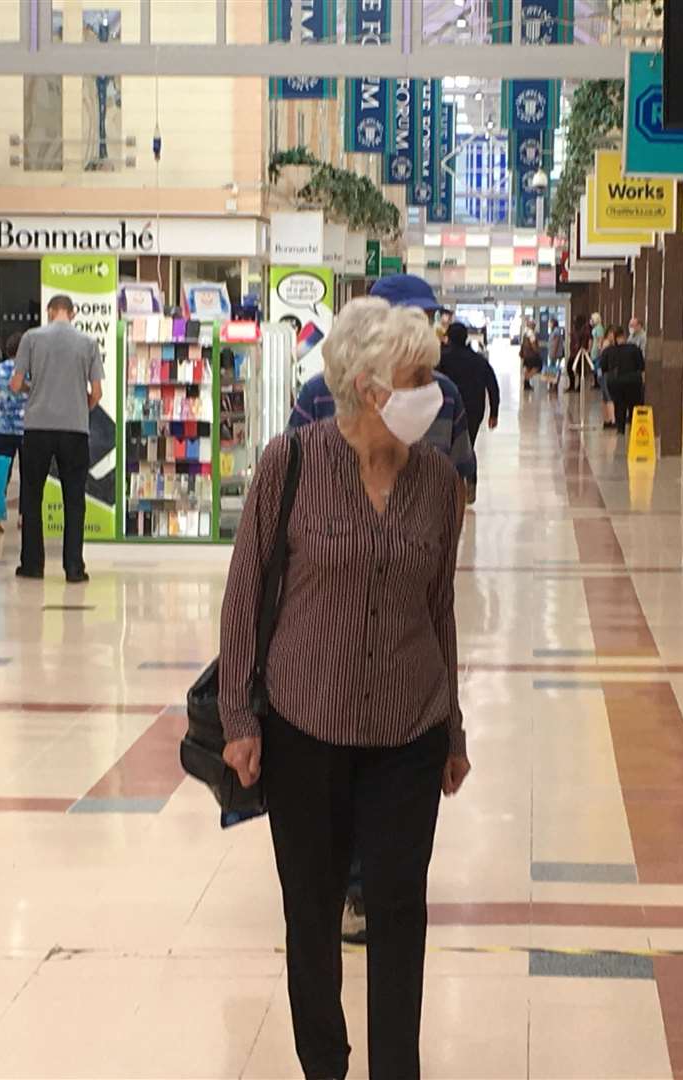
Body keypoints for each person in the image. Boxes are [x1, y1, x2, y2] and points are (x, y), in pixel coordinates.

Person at [220, 297, 470, 1080]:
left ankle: (398, 1068)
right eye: (417, 377)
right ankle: (323, 1065)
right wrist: (238, 717)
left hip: (409, 727)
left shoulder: (437, 482)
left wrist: (453, 729)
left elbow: (440, 608)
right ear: (368, 388)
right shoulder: (289, 463)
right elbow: (244, 592)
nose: (435, 390)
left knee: (400, 912)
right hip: (305, 725)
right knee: (312, 912)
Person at [287, 272, 472, 948]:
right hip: (323, 659)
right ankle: (345, 884)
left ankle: (366, 887)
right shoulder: (319, 405)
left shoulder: (438, 393)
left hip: (410, 591)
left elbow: (456, 481)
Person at [289, 275, 478, 493]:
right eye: (409, 319)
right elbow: (291, 470)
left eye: (425, 318)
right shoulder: (319, 392)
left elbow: (458, 475)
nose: (418, 330)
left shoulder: (444, 395)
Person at [11, 294, 104, 584]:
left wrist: (34, 389)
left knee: (32, 495)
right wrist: (79, 404)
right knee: (74, 499)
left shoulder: (31, 338)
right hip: (75, 428)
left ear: (50, 312)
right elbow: (97, 392)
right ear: (73, 313)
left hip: (37, 426)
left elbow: (15, 384)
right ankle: (74, 568)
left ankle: (32, 565)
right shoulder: (88, 344)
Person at [439, 322, 499, 505]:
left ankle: (448, 487)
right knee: (467, 445)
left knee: (446, 448)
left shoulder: (441, 358)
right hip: (473, 410)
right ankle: (470, 482)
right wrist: (493, 412)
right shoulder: (478, 360)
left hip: (446, 409)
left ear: (448, 337)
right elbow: (492, 385)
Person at [0, 332, 26, 536]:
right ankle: (23, 516)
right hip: (26, 427)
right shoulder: (29, 372)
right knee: (29, 474)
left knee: (1, 473)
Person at [599, 325, 646, 436]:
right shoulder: (634, 348)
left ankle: (620, 429)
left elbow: (603, 367)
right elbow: (641, 366)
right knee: (634, 405)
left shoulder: (608, 351)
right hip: (633, 382)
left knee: (619, 405)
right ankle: (636, 429)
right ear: (623, 336)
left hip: (615, 382)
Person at [548, 318, 566, 391]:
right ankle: (552, 383)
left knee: (553, 369)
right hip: (553, 352)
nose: (549, 324)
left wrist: (554, 352)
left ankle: (554, 384)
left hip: (555, 353)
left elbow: (556, 342)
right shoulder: (553, 331)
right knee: (552, 368)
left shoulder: (556, 331)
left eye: (550, 323)